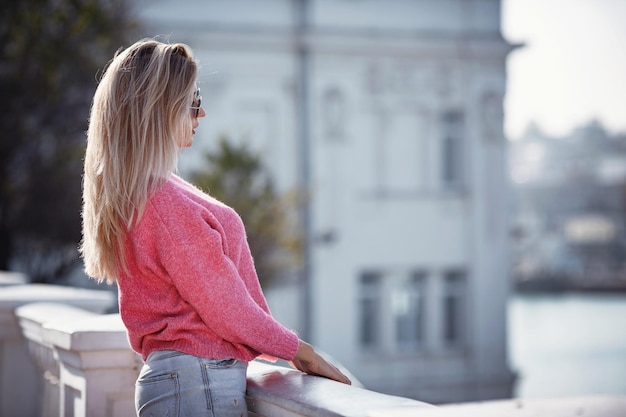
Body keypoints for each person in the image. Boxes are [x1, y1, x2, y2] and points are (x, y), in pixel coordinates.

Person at [80, 38, 350, 417]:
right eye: (193, 102)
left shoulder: (150, 193)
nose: (201, 113)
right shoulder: (162, 203)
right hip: (196, 381)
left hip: (189, 382)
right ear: (160, 109)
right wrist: (301, 352)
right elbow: (227, 308)